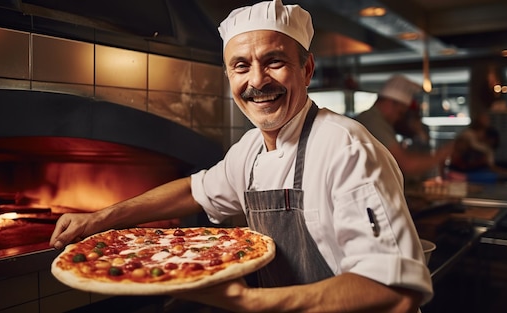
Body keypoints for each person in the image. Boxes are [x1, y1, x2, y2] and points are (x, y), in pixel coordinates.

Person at [49, 1, 432, 312]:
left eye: (275, 61)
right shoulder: (249, 149)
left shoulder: (346, 148)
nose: (257, 80)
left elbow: (393, 290)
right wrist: (99, 218)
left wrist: (250, 303)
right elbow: (194, 191)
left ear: (307, 69)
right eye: (241, 66)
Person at [354, 75, 453, 177]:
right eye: (399, 113)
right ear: (390, 103)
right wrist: (442, 154)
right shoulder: (373, 121)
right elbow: (407, 165)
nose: (398, 118)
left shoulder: (374, 119)